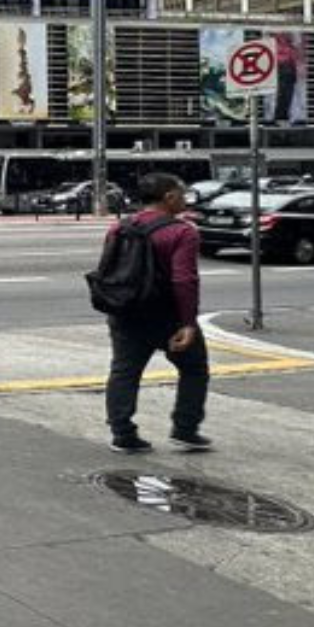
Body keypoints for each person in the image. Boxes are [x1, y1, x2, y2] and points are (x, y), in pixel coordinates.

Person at [102, 172, 211, 454]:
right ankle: (185, 429)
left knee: (124, 371)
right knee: (194, 367)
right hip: (166, 315)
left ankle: (123, 433)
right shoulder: (182, 231)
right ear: (169, 197)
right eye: (182, 194)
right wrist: (188, 322)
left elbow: (107, 269)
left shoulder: (120, 227)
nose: (185, 199)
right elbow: (183, 280)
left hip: (125, 309)